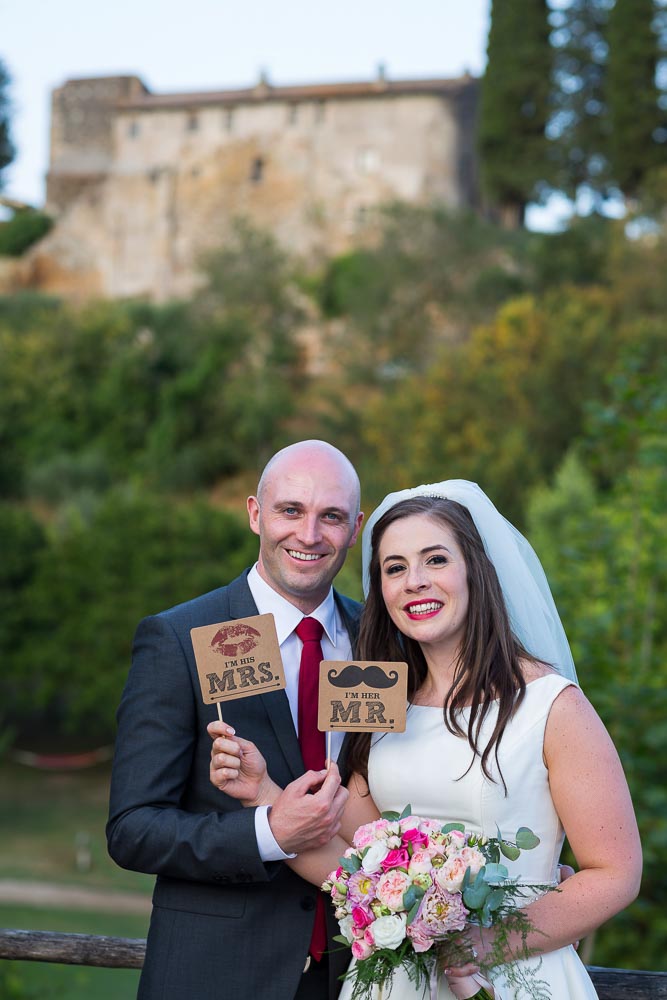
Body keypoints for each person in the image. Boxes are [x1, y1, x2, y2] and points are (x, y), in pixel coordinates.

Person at [210, 480, 641, 999]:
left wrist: (485, 944)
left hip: (511, 978)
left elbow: (615, 873)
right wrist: (262, 791)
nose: (414, 581)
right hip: (395, 984)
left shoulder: (551, 704)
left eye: (435, 560)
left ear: (476, 572)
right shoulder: (387, 705)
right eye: (394, 568)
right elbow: (350, 867)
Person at [106, 440, 365, 1000]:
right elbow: (133, 830)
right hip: (218, 974)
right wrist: (269, 833)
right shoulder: (179, 638)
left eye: (332, 517)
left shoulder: (382, 643)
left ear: (357, 527)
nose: (309, 534)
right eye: (290, 510)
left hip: (362, 974)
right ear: (255, 513)